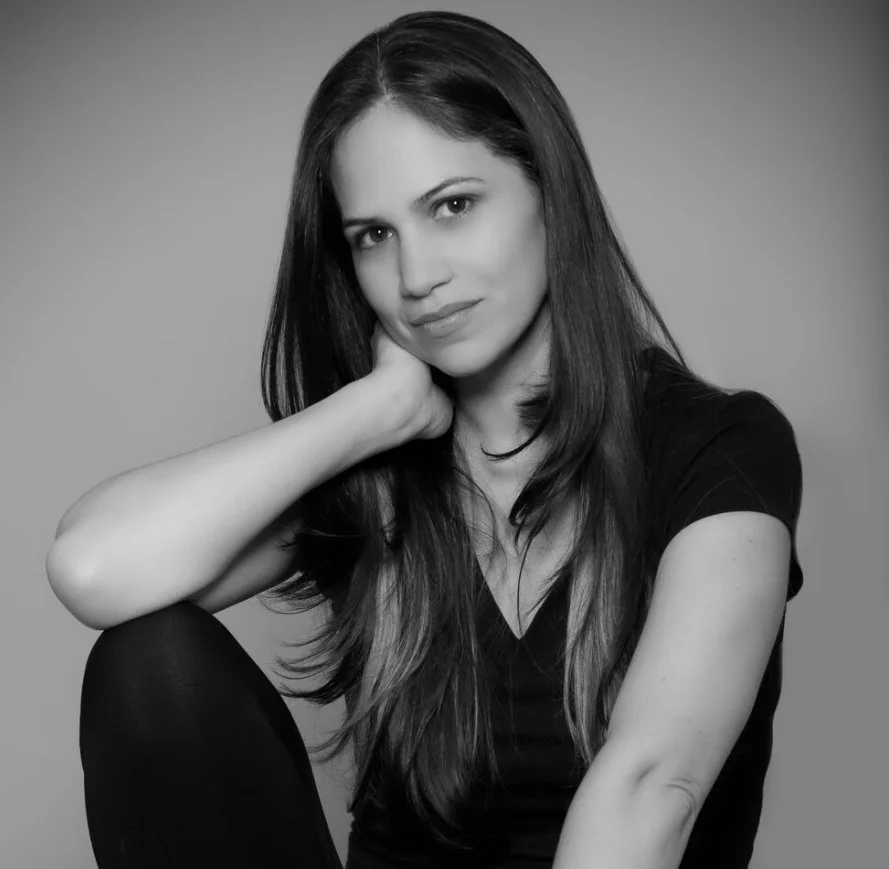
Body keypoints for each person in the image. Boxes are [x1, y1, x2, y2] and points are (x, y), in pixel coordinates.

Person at [46, 10, 804, 869]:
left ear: (551, 194)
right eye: (374, 235)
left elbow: (651, 783)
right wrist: (377, 411)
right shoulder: (374, 471)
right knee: (147, 662)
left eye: (452, 206)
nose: (415, 278)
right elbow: (93, 568)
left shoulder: (720, 444)